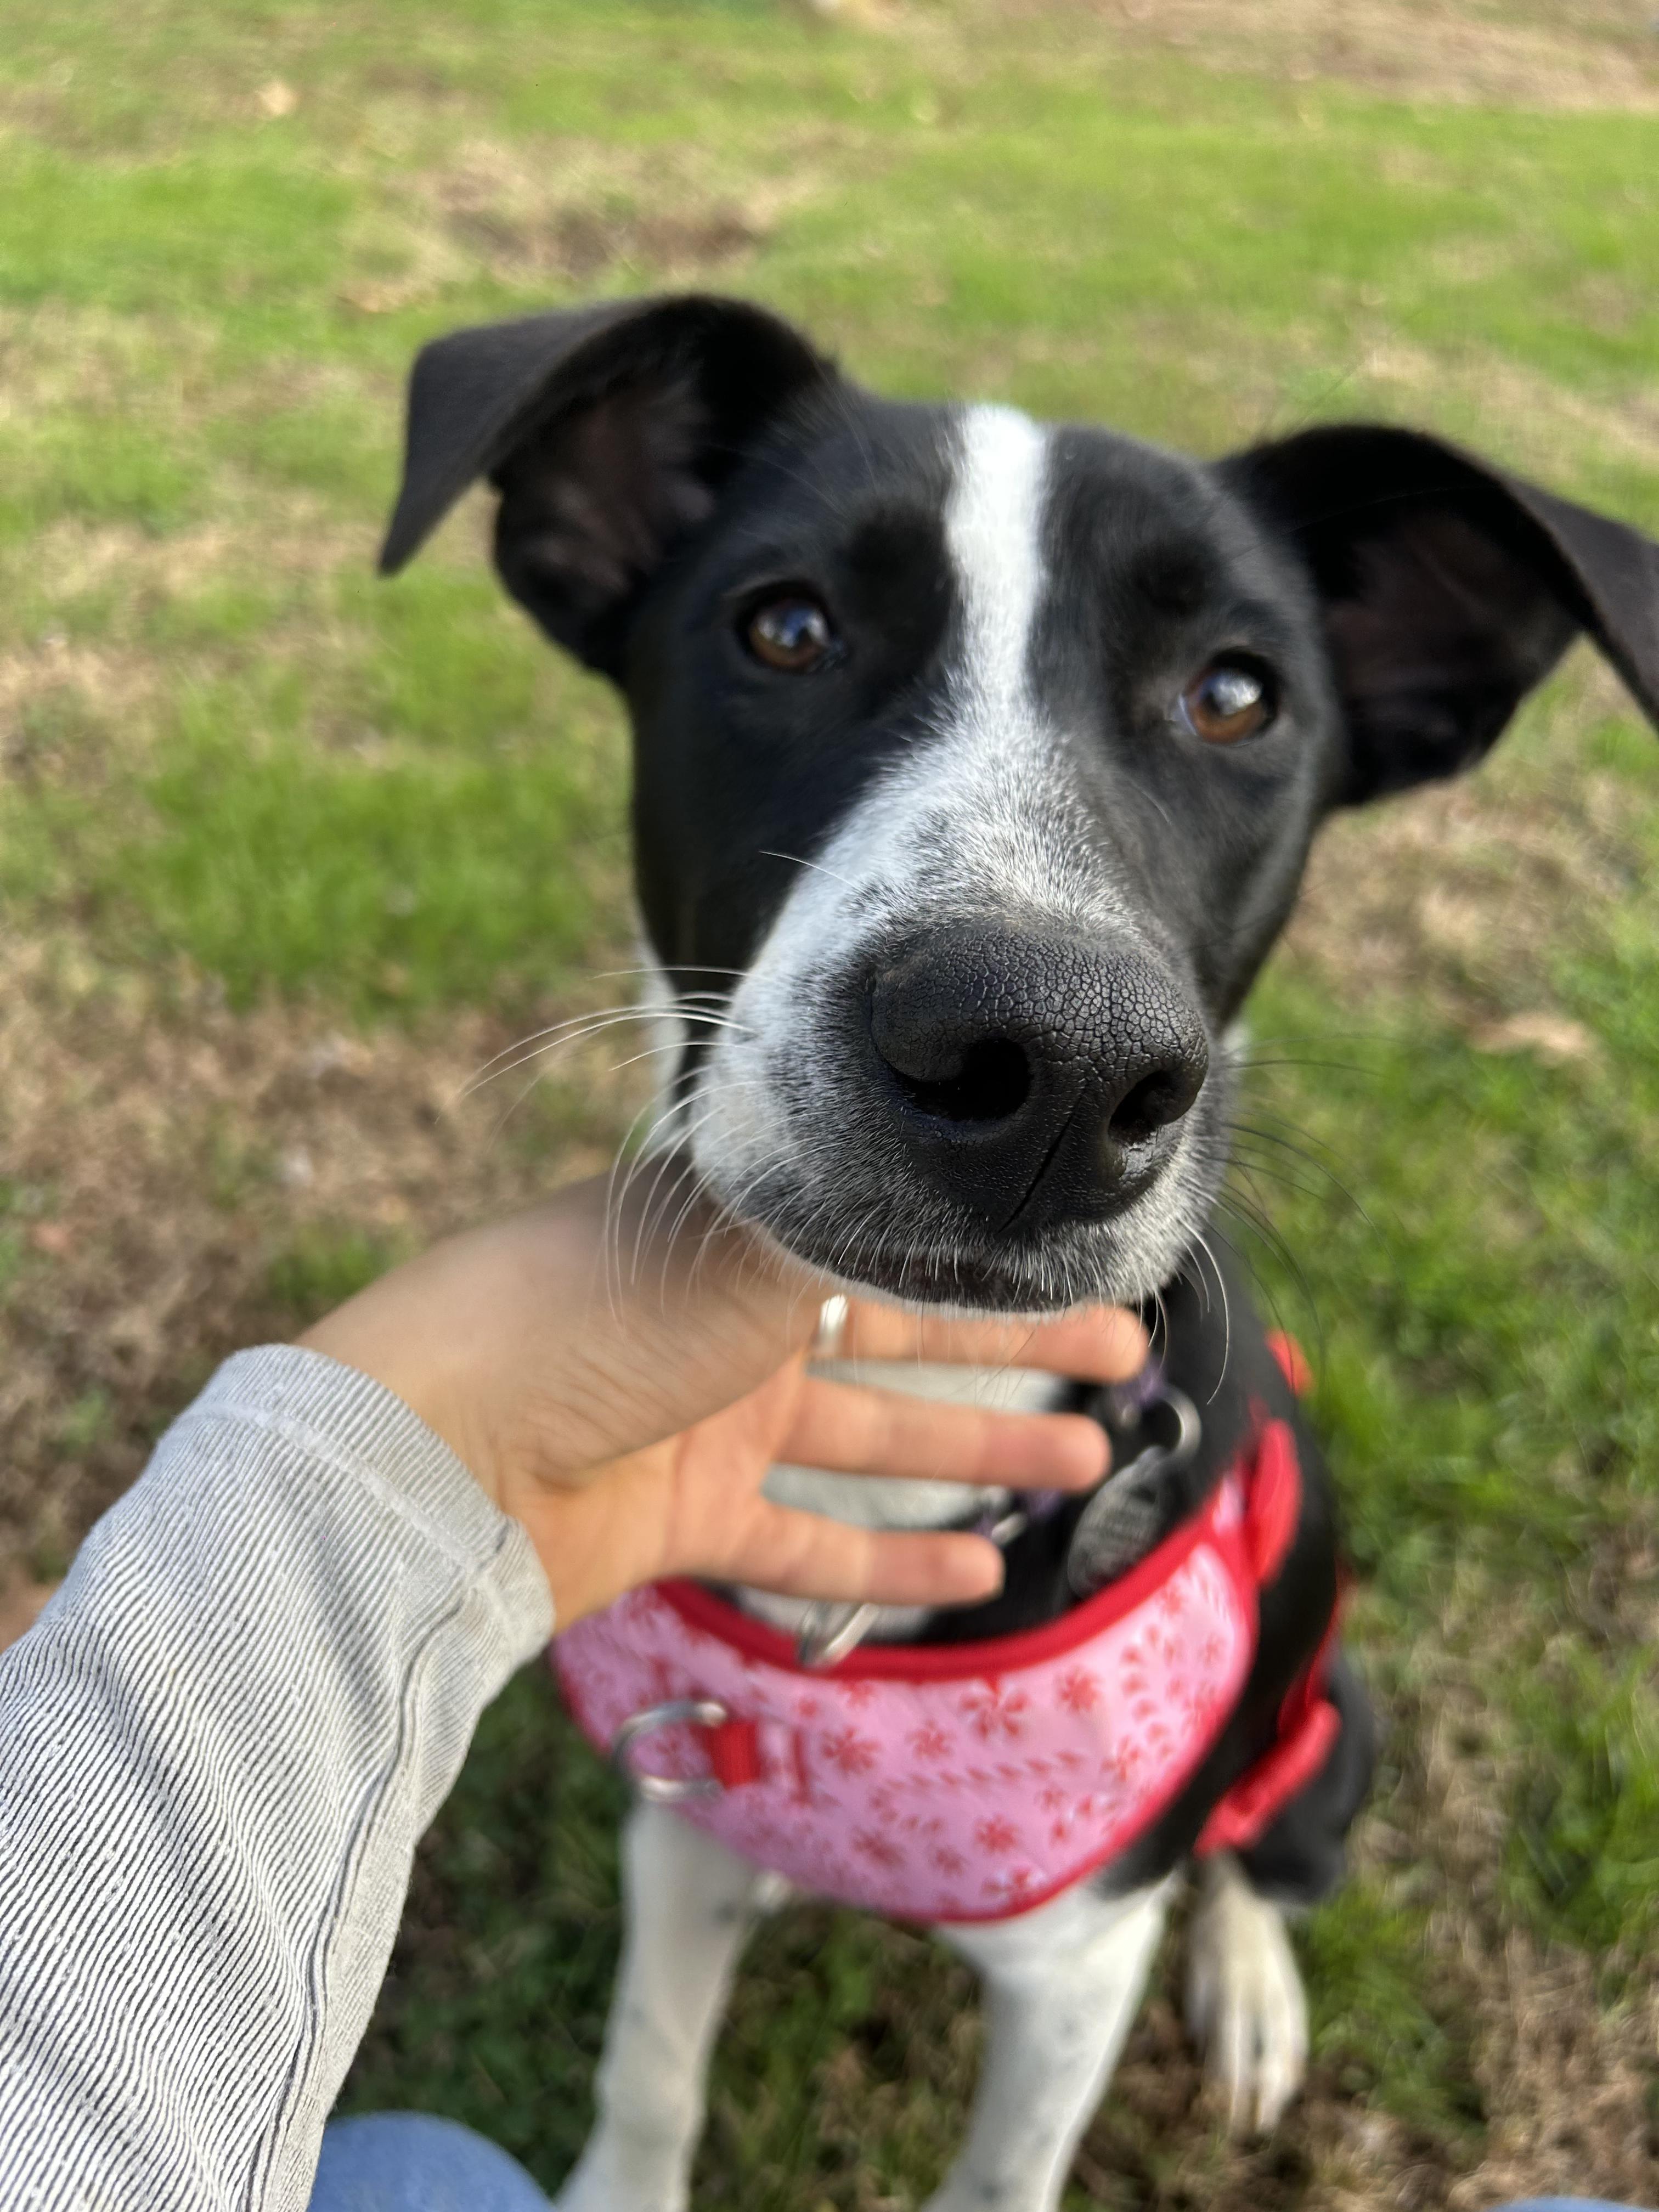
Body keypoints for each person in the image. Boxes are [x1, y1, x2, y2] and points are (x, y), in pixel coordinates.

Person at [0, 1178, 1644, 2212]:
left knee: (1209, 1849)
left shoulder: (1168, 1579)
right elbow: (685, 1814)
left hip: (1097, 1661)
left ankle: (1229, 1890)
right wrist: (640, 2147)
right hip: (749, 1583)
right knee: (699, 1816)